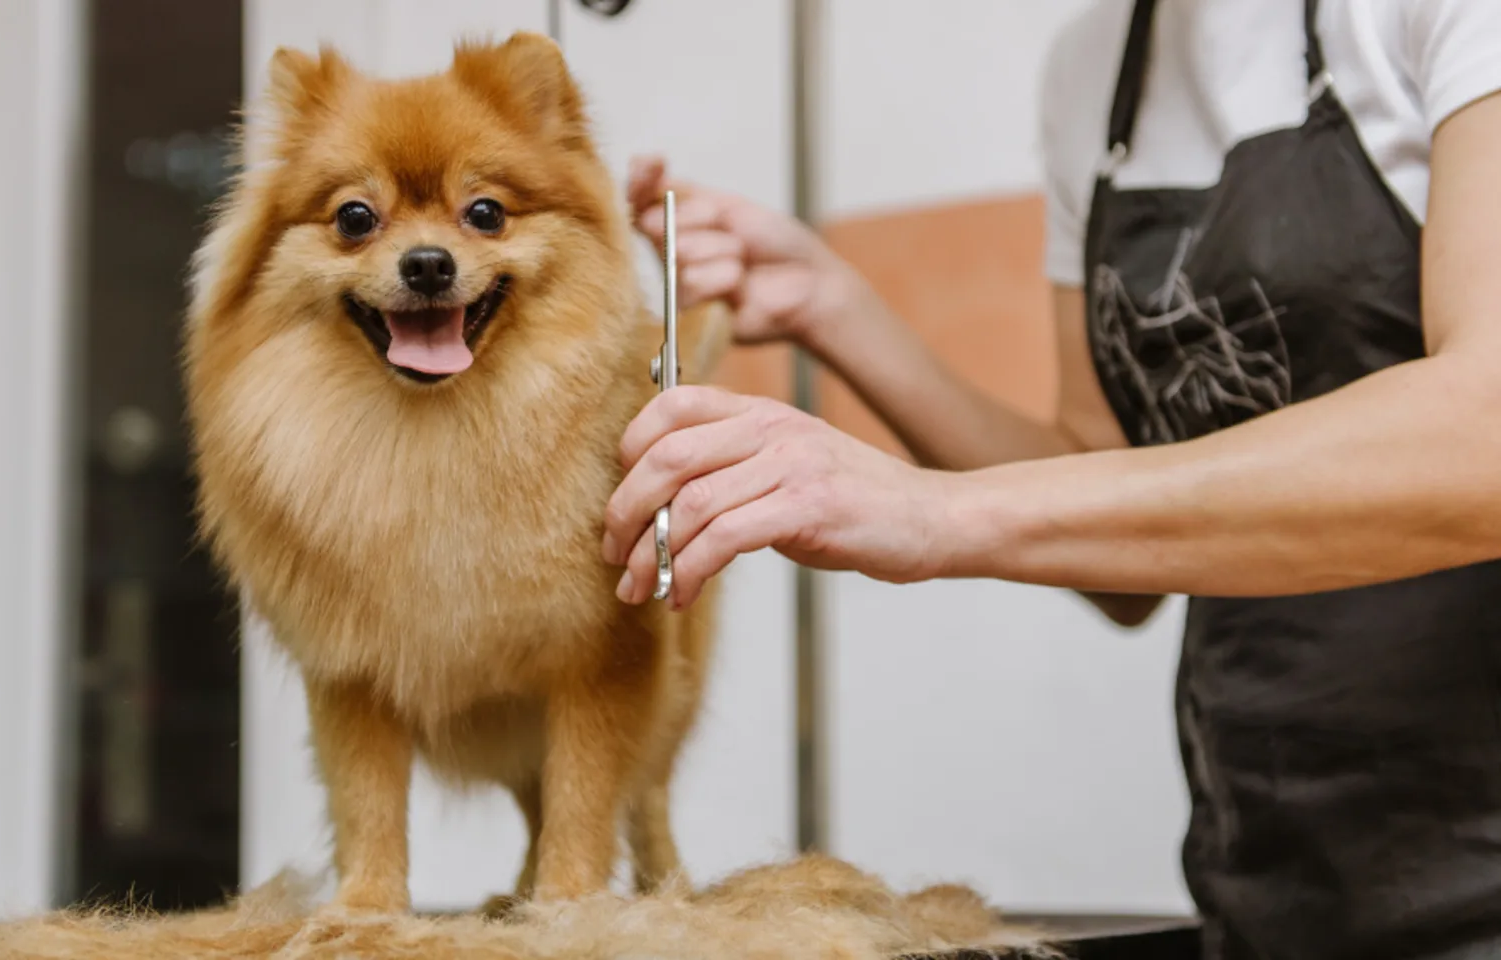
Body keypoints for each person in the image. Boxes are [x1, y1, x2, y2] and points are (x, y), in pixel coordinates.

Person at [601, 1, 1501, 957]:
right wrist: (835, 306)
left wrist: (934, 511)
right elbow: (1116, 543)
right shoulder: (1094, 72)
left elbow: (1481, 437)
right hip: (1272, 871)